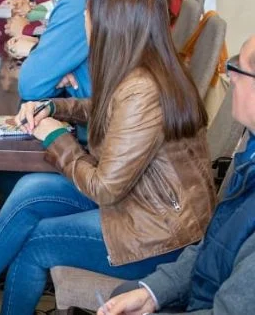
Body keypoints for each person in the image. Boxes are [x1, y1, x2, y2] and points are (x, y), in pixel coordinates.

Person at [0, 0, 215, 315]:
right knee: (31, 189)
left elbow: (105, 188)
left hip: (159, 235)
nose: (84, 21)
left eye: (87, 13)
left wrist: (56, 136)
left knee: (36, 242)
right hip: (141, 202)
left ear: (110, 23)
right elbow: (105, 108)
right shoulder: (144, 67)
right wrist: (53, 107)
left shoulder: (142, 89)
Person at [100, 35, 255, 315]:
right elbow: (214, 244)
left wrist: (56, 139)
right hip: (206, 284)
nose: (230, 76)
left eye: (238, 68)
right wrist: (153, 293)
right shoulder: (250, 155)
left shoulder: (143, 86)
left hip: (171, 239)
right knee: (126, 294)